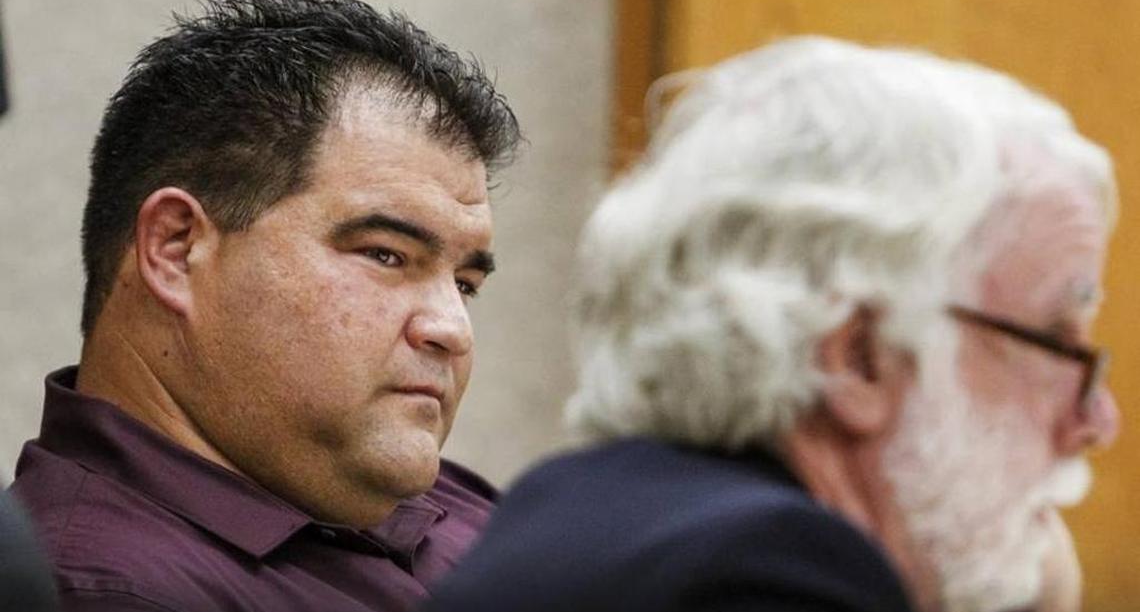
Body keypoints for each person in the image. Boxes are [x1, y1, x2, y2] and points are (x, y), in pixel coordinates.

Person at [420, 37, 1118, 612]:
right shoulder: (767, 574)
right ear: (858, 357)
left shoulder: (569, 504)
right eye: (1056, 344)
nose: (1095, 419)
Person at [8, 0, 520, 612]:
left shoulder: (443, 501)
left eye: (465, 285)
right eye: (385, 255)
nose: (453, 330)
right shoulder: (110, 588)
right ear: (175, 249)